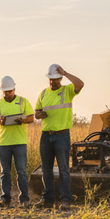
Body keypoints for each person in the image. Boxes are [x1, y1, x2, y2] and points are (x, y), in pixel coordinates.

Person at [34, 63, 84, 210]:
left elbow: (80, 84)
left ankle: (65, 200)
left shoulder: (67, 91)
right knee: (46, 170)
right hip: (46, 136)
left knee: (63, 169)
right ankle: (48, 199)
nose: (52, 82)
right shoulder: (43, 93)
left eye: (55, 79)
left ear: (61, 78)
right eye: (50, 79)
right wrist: (39, 115)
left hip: (62, 136)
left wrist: (67, 72)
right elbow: (36, 112)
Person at [0, 76, 35, 207]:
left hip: (20, 142)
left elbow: (32, 118)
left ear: (14, 89)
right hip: (4, 143)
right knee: (5, 172)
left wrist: (22, 120)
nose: (7, 94)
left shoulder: (23, 101)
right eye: (5, 92)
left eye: (9, 91)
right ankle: (5, 198)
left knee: (21, 171)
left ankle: (24, 200)